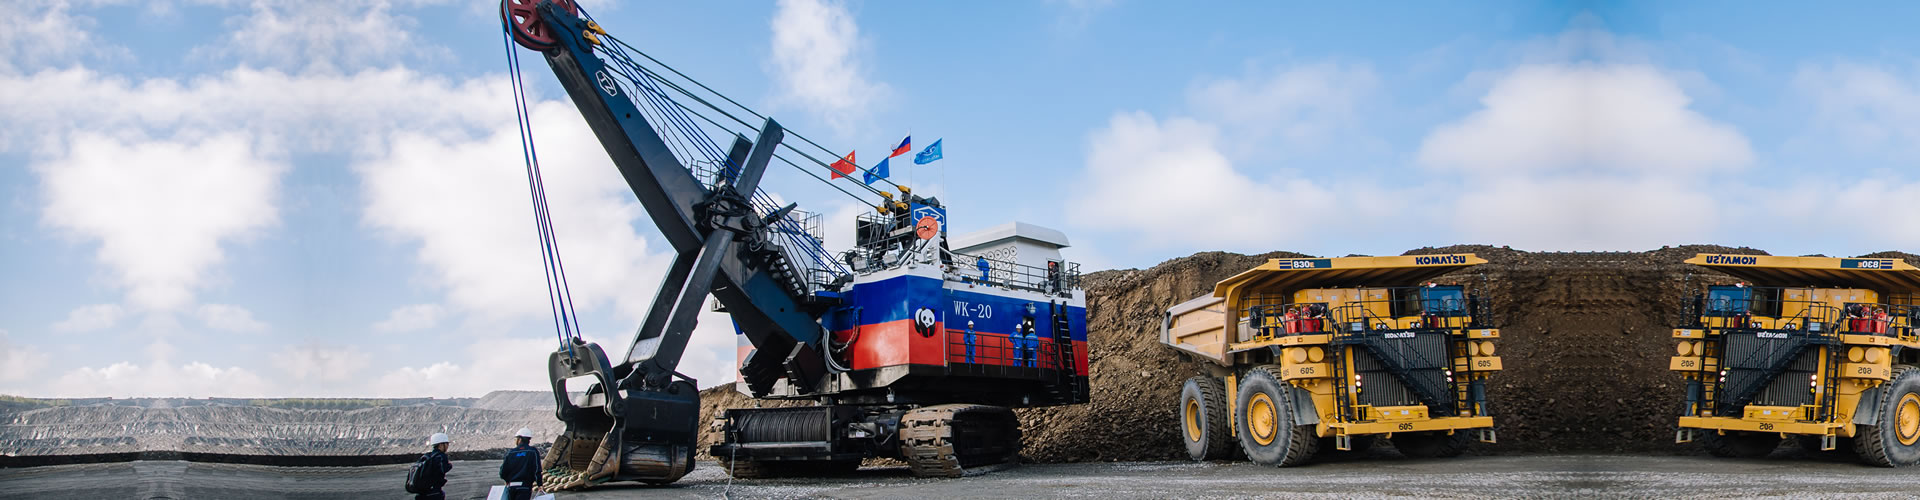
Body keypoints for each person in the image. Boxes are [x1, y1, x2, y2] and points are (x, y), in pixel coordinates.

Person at [499, 428, 543, 500]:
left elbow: (503, 471)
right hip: (525, 487)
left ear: (519, 439)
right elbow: (537, 469)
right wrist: (539, 484)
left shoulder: (511, 452)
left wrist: (507, 480)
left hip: (511, 488)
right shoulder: (533, 451)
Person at [411, 433, 453, 499]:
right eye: (447, 443)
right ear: (441, 445)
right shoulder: (441, 456)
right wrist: (450, 465)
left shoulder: (426, 456)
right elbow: (444, 469)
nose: (448, 446)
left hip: (421, 493)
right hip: (434, 493)